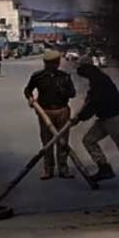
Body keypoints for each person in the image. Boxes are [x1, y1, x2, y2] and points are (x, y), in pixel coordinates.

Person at [73, 57, 119, 188]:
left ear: (88, 68)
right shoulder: (95, 80)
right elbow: (91, 101)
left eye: (81, 68)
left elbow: (94, 103)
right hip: (104, 118)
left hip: (115, 118)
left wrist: (80, 118)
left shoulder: (100, 80)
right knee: (89, 140)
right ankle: (104, 168)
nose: (79, 71)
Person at [23, 49, 77, 180]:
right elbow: (28, 90)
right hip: (45, 112)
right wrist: (30, 99)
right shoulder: (38, 76)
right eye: (50, 63)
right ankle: (48, 169)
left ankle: (63, 168)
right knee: (47, 141)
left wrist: (62, 90)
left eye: (55, 63)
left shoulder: (64, 76)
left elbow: (72, 93)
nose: (53, 66)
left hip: (62, 111)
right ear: (45, 63)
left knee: (62, 141)